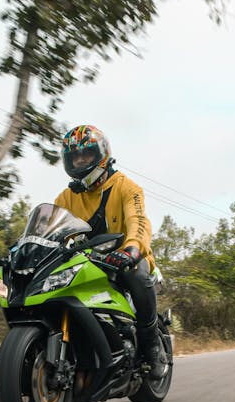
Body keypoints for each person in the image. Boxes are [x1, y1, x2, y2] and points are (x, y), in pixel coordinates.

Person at [55, 124, 165, 379]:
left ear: (101, 154)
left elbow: (138, 221)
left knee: (136, 275)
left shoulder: (127, 187)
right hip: (87, 262)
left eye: (87, 155)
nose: (81, 161)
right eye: (75, 157)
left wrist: (132, 250)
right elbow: (49, 230)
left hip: (126, 258)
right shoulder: (65, 198)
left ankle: (151, 345)